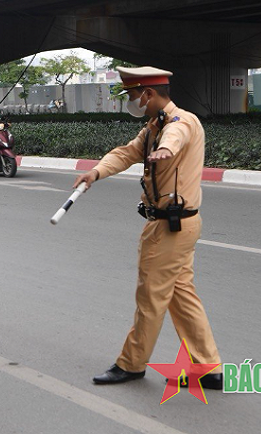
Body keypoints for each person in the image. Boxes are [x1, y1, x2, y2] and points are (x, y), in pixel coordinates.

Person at [73, 66, 222, 389]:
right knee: (181, 296)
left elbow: (176, 137)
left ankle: (132, 363)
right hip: (177, 224)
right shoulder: (154, 127)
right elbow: (127, 154)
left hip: (170, 228)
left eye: (132, 95)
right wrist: (95, 173)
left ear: (148, 94)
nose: (131, 100)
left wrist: (167, 149)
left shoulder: (180, 123)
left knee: (150, 297)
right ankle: (208, 368)